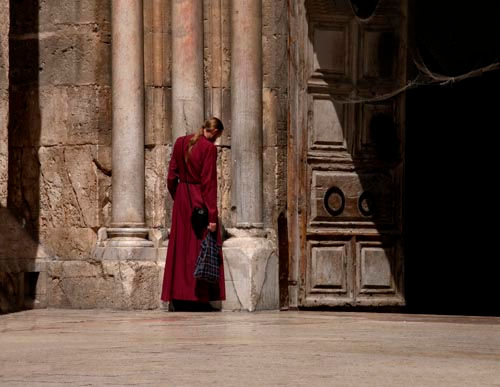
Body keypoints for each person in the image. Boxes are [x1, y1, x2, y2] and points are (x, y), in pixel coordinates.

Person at [161, 117, 226, 311]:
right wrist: (212, 216)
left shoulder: (181, 142)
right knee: (201, 248)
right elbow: (209, 184)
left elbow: (171, 177)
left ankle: (178, 297)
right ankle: (199, 299)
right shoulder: (208, 148)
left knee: (180, 249)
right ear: (214, 133)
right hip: (199, 202)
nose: (216, 141)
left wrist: (179, 197)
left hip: (182, 199)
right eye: (217, 137)